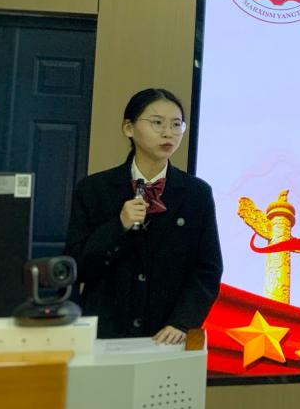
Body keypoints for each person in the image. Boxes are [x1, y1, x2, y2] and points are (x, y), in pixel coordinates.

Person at [64, 88, 223, 343]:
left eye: (176, 125)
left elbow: (208, 269)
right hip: (105, 332)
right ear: (129, 128)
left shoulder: (197, 194)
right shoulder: (94, 189)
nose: (168, 133)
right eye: (157, 123)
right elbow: (74, 267)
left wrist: (182, 322)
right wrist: (118, 226)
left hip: (168, 333)